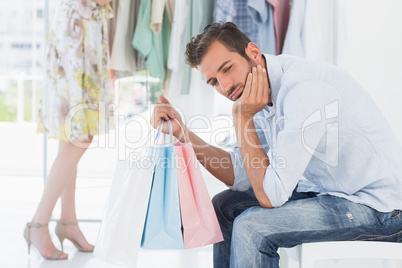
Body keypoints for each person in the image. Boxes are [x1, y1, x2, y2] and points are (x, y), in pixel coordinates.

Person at [151, 22, 402, 268]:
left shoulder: (304, 91)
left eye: (227, 68)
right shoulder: (257, 90)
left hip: (379, 209)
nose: (225, 86)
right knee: (223, 207)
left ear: (253, 53)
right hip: (328, 192)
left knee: (252, 227)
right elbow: (241, 174)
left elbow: (271, 196)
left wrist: (242, 118)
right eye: (214, 81)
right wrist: (182, 133)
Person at [24, 0, 113, 260]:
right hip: (79, 30)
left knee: (74, 137)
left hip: (83, 25)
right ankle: (38, 224)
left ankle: (68, 221)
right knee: (78, 136)